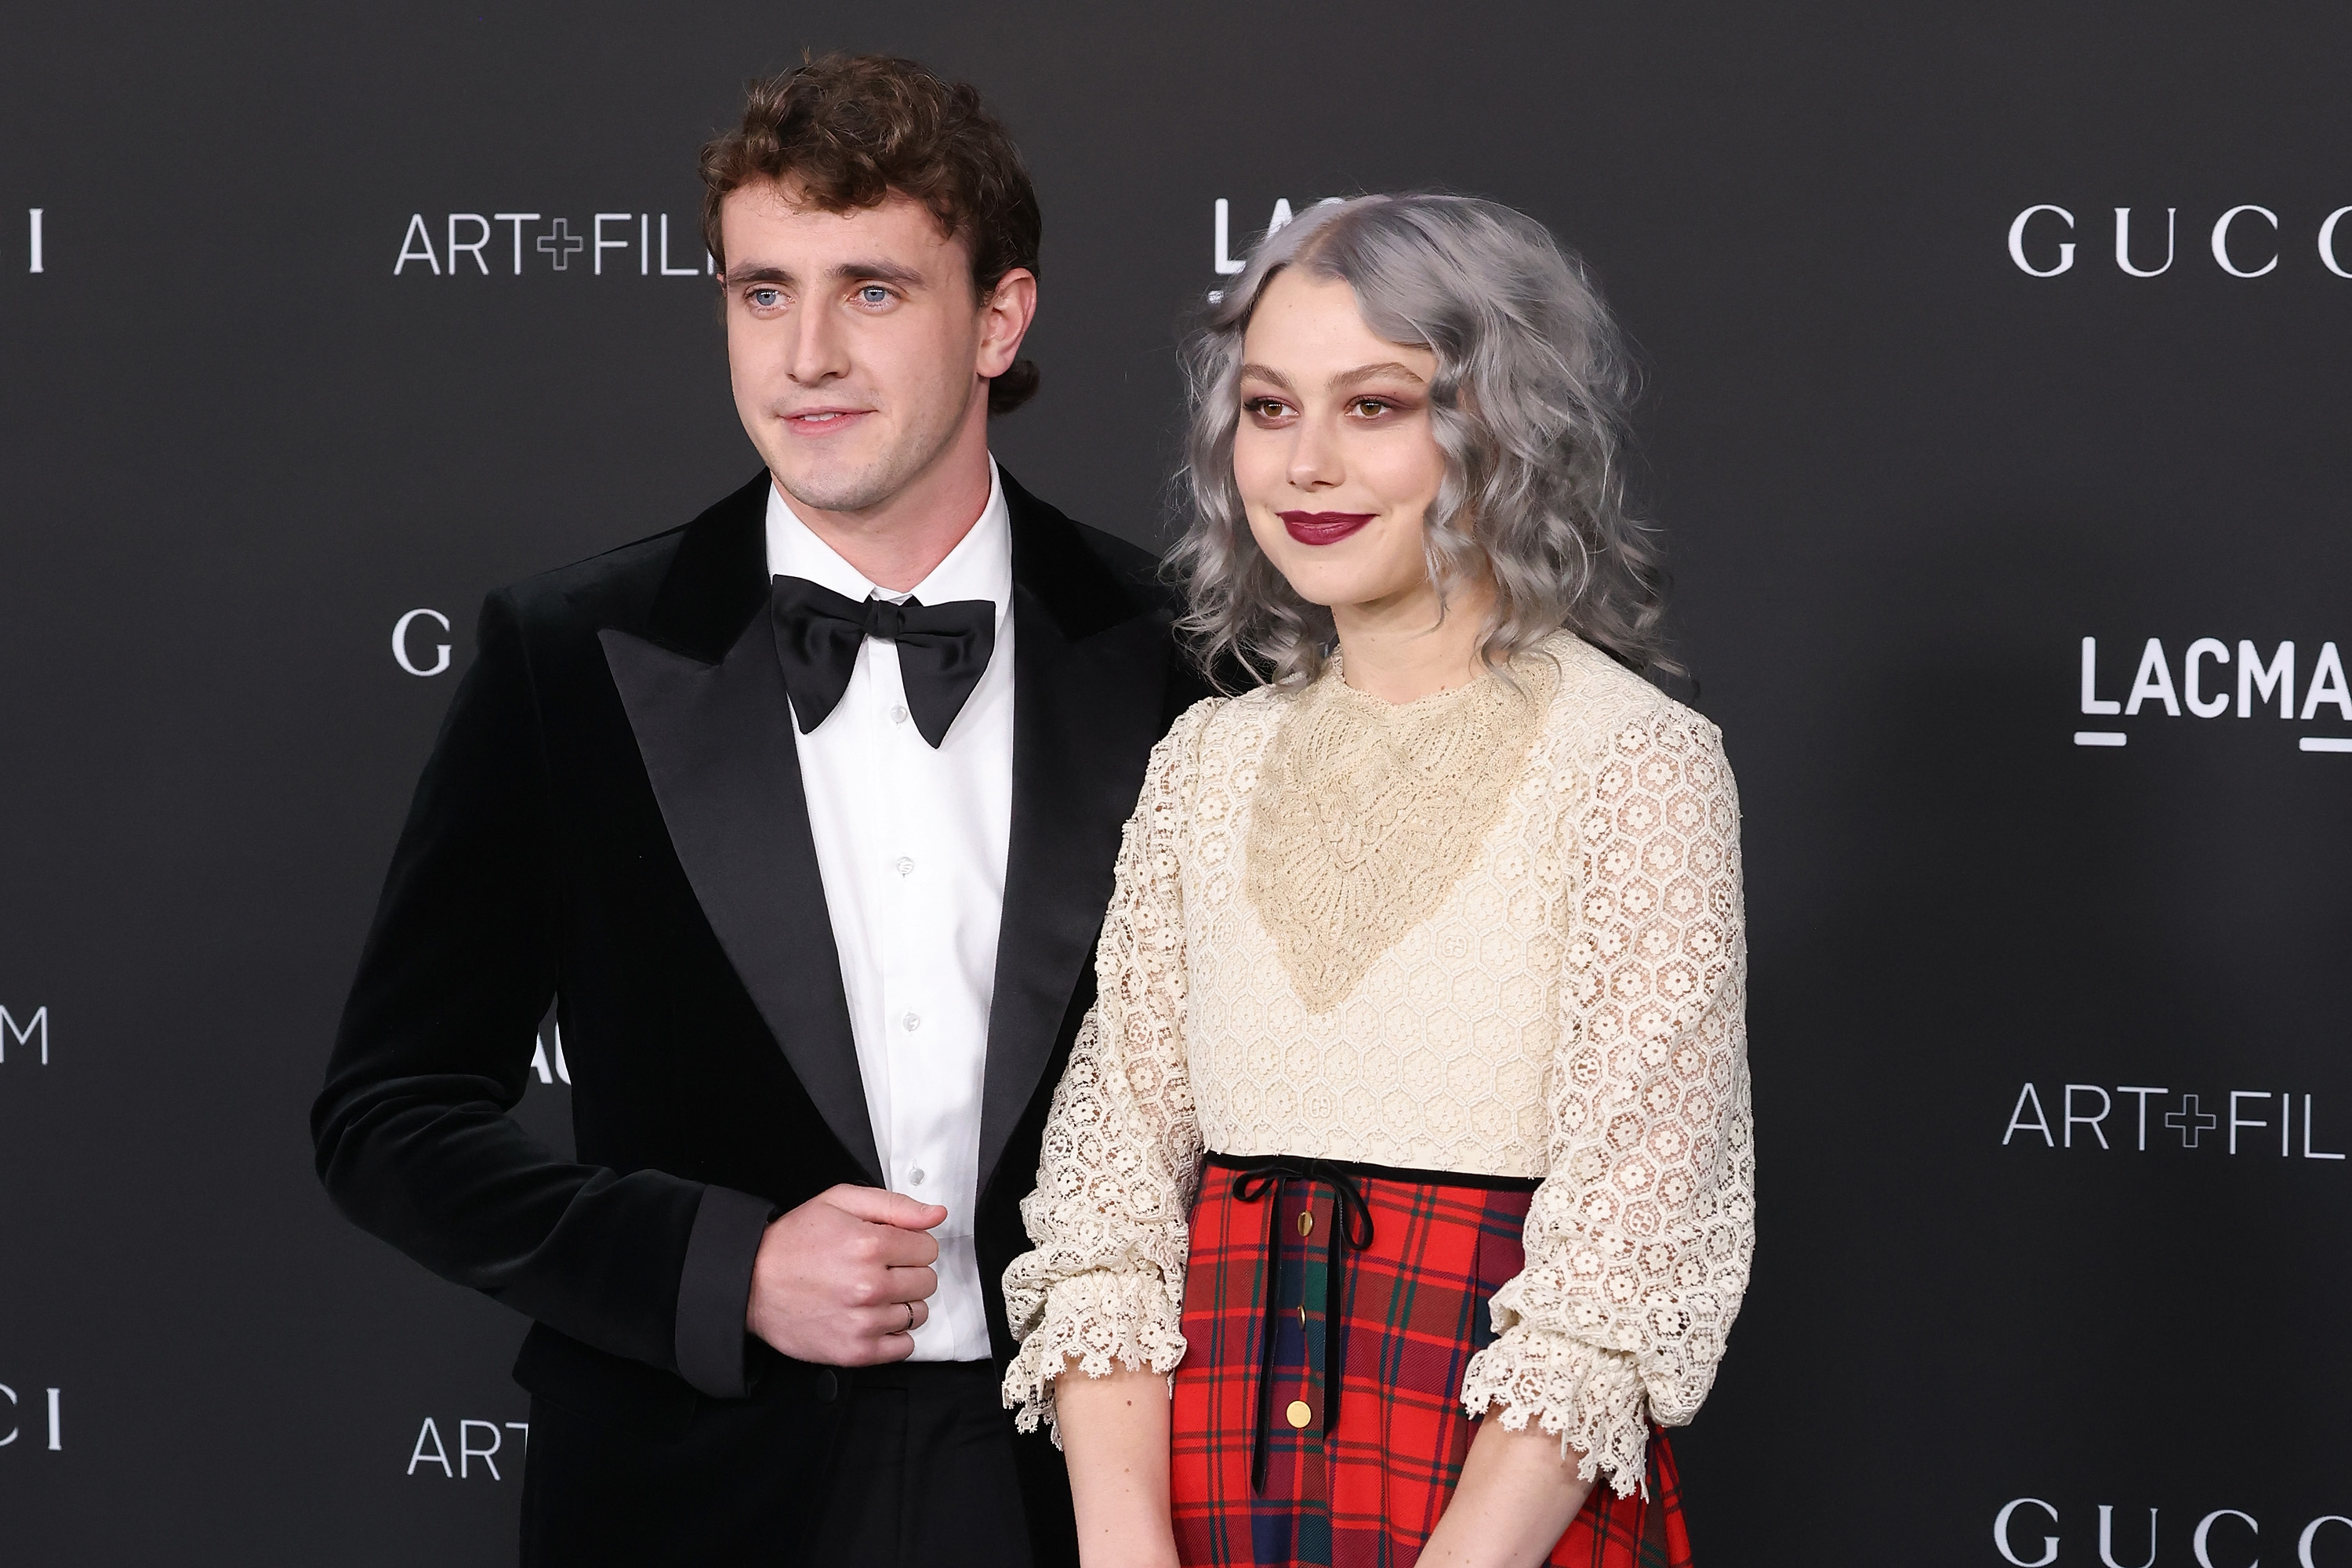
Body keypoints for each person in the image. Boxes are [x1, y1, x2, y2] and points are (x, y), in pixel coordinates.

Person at [312, 56, 1206, 1567]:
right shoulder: (569, 653)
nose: (805, 357)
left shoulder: (1190, 656)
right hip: (692, 1484)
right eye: (760, 291)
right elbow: (389, 1118)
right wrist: (720, 1266)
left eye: (871, 291)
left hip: (1091, 1489)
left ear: (999, 317)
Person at [1001, 194, 1753, 1568]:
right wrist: (1126, 1553)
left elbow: (1622, 1259)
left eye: (1377, 405)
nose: (1308, 465)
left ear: (1502, 428)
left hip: (1494, 1518)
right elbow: (1107, 1204)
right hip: (1202, 1498)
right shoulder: (1206, 763)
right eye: (1272, 410)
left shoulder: (1636, 764)